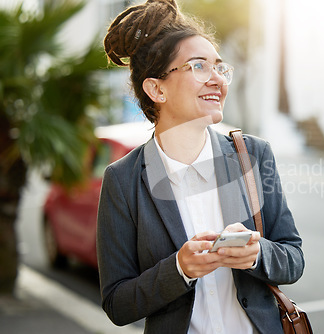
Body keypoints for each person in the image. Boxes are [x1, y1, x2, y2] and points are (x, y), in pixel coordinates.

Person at [96, 0, 305, 333]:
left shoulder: (254, 155)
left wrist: (255, 254)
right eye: (198, 67)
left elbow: (293, 259)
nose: (217, 80)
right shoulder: (122, 180)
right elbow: (118, 304)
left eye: (220, 68)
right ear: (156, 88)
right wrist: (180, 269)